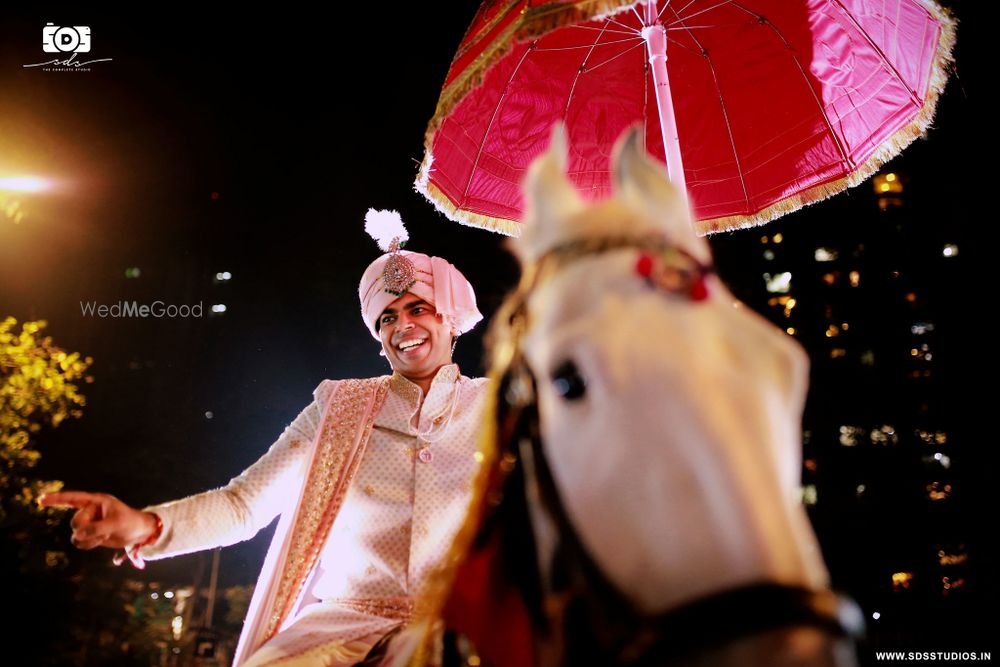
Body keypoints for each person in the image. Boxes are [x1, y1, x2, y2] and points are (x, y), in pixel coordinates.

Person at [41, 210, 489, 666]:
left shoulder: (498, 408)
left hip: (471, 630)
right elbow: (243, 504)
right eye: (387, 318)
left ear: (450, 318)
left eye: (418, 308)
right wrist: (146, 525)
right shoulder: (340, 409)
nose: (403, 326)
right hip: (349, 629)